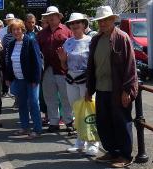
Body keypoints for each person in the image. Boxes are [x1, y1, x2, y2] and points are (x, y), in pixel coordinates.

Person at [85, 6, 138, 168]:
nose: (102, 23)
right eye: (100, 21)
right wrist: (89, 88)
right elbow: (91, 66)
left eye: (106, 20)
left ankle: (125, 155)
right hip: (101, 88)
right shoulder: (96, 39)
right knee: (104, 122)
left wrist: (127, 90)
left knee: (121, 122)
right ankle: (112, 151)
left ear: (113, 20)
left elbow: (130, 66)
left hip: (118, 89)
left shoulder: (122, 38)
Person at [57, 12, 100, 156]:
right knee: (77, 111)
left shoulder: (91, 41)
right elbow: (64, 66)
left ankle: (93, 142)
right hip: (70, 80)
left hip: (86, 80)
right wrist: (62, 59)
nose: (75, 26)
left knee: (90, 112)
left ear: (84, 24)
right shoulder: (68, 42)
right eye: (72, 24)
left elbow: (95, 64)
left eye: (78, 23)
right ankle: (80, 141)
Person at [37, 6, 73, 133]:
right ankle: (53, 122)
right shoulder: (41, 34)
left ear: (59, 17)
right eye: (48, 16)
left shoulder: (67, 31)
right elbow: (38, 52)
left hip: (63, 69)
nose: (51, 18)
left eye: (54, 15)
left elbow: (73, 48)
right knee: (50, 97)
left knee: (66, 97)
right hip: (47, 69)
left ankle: (69, 121)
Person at [5, 19, 43, 139]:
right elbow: (9, 63)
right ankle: (25, 127)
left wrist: (35, 80)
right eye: (13, 29)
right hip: (18, 79)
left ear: (22, 29)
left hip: (30, 80)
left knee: (33, 104)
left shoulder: (30, 41)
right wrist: (8, 78)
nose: (16, 32)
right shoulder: (12, 44)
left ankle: (37, 130)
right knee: (22, 104)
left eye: (18, 29)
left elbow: (37, 62)